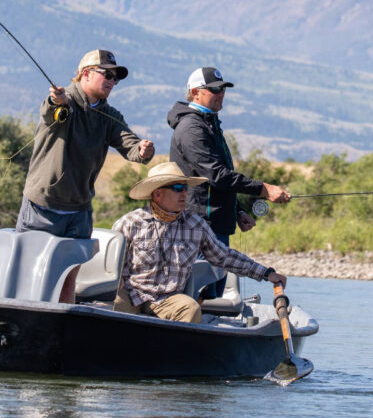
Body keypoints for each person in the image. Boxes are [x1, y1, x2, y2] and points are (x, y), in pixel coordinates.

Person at [111, 162, 287, 323]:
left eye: (186, 188)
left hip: (168, 299)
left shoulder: (196, 225)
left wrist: (267, 274)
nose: (184, 193)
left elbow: (224, 257)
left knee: (191, 309)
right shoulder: (129, 223)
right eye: (178, 188)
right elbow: (111, 270)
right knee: (108, 305)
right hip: (131, 293)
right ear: (158, 193)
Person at [16, 49, 154, 238]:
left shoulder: (111, 116)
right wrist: (56, 101)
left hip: (80, 211)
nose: (112, 81)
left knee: (73, 266)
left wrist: (143, 150)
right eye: (107, 74)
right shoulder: (65, 100)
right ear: (86, 73)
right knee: (32, 266)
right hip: (43, 205)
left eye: (115, 78)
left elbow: (131, 145)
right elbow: (50, 112)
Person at [167, 66, 291, 246]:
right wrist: (264, 189)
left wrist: (237, 212)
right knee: (205, 275)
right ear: (195, 92)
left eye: (223, 89)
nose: (221, 93)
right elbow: (217, 176)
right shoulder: (192, 128)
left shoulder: (208, 124)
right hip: (199, 226)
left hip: (213, 225)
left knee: (219, 276)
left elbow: (217, 180)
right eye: (215, 89)